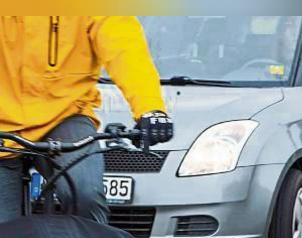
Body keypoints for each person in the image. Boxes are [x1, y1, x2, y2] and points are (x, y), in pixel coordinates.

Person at [0, 16, 174, 224]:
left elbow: (124, 46)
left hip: (65, 114)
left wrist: (150, 109)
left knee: (85, 193)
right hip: (3, 121)